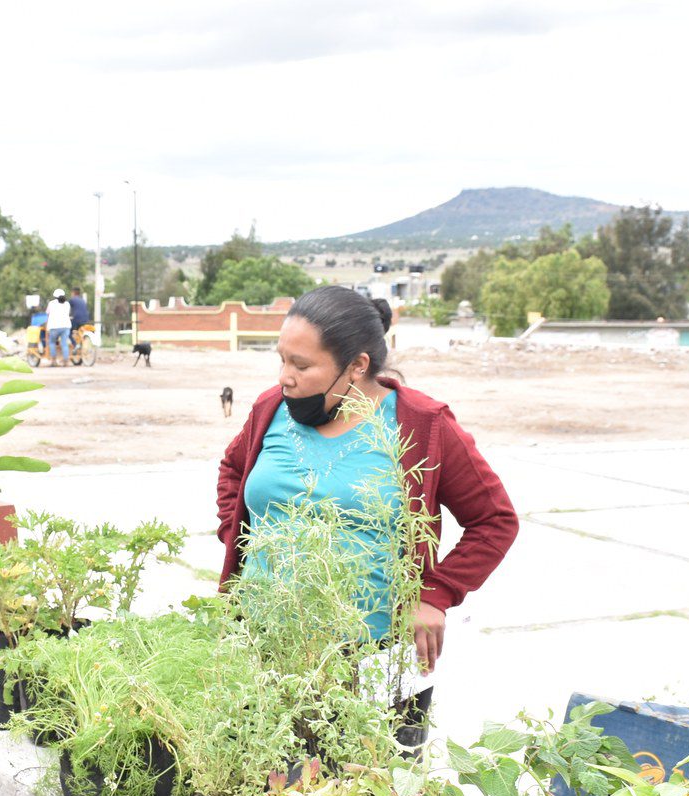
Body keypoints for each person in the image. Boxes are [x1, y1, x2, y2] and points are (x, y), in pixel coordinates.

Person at [215, 285, 519, 673]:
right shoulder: (270, 409)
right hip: (260, 645)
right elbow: (232, 470)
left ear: (358, 365)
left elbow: (494, 520)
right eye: (282, 361)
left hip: (370, 658)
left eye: (302, 366)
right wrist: (236, 536)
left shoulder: (423, 426)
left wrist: (436, 594)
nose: (285, 378)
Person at [45, 288, 73, 364]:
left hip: (54, 326)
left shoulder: (51, 303)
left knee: (52, 343)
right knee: (64, 343)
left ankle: (53, 361)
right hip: (66, 326)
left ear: (54, 296)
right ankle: (66, 361)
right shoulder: (67, 304)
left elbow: (47, 313)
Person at [67, 287, 92, 362]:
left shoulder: (72, 300)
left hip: (77, 319)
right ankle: (80, 345)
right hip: (86, 319)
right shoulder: (82, 300)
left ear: (73, 293)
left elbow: (66, 309)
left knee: (69, 332)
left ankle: (76, 345)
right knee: (80, 333)